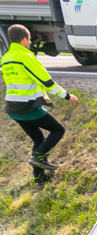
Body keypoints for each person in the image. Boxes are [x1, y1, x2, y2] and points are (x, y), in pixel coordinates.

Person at [1, 24, 79, 183]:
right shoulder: (26, 57)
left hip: (13, 108)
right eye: (29, 39)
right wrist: (67, 96)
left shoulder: (6, 58)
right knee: (58, 130)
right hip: (27, 106)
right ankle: (39, 157)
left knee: (38, 139)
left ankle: (39, 177)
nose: (29, 42)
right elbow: (47, 82)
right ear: (24, 39)